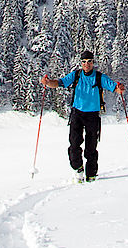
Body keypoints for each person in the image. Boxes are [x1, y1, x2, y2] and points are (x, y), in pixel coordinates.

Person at [41, 50, 123, 181]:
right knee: (74, 144)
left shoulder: (99, 77)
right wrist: (47, 82)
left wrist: (120, 88)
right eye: (84, 62)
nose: (87, 64)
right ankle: (77, 168)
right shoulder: (76, 75)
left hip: (93, 116)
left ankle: (91, 176)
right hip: (77, 114)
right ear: (81, 63)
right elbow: (58, 83)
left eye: (89, 61)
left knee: (91, 148)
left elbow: (115, 87)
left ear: (93, 63)